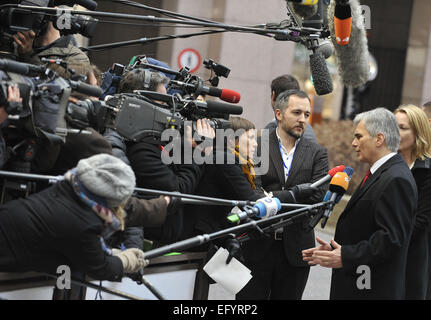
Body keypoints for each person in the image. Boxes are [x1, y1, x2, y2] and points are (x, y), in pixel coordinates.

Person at [303, 107, 418, 300]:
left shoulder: (396, 179)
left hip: (371, 290)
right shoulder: (382, 174)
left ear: (379, 139)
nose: (353, 143)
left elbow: (391, 240)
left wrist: (346, 256)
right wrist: (335, 250)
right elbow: (369, 228)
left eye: (359, 136)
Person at [237, 89, 329, 300]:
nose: (302, 119)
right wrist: (296, 194)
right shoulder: (257, 145)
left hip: (297, 250)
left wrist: (274, 196)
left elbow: (318, 196)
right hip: (257, 244)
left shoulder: (317, 153)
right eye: (296, 112)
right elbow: (252, 191)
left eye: (306, 114)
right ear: (279, 114)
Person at [0, 153, 148, 281]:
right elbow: (99, 268)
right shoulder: (84, 223)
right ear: (112, 200)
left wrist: (109, 253)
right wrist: (125, 261)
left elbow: (77, 248)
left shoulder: (68, 187)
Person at [395, 105, 431, 299]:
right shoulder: (386, 164)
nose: (396, 133)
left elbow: (421, 220)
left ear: (418, 132)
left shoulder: (426, 170)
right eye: (393, 126)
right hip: (381, 255)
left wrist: (387, 239)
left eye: (403, 127)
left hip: (412, 255)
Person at [264, 74, 317, 143]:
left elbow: (263, 153)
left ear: (273, 95)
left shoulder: (269, 130)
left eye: (306, 115)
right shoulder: (308, 131)